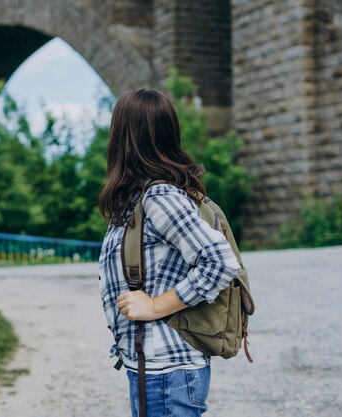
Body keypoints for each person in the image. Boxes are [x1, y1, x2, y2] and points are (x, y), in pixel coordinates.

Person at [97, 89, 241, 417]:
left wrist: (154, 306)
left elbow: (219, 262)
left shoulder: (159, 197)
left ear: (123, 138)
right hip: (153, 368)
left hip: (168, 372)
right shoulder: (135, 201)